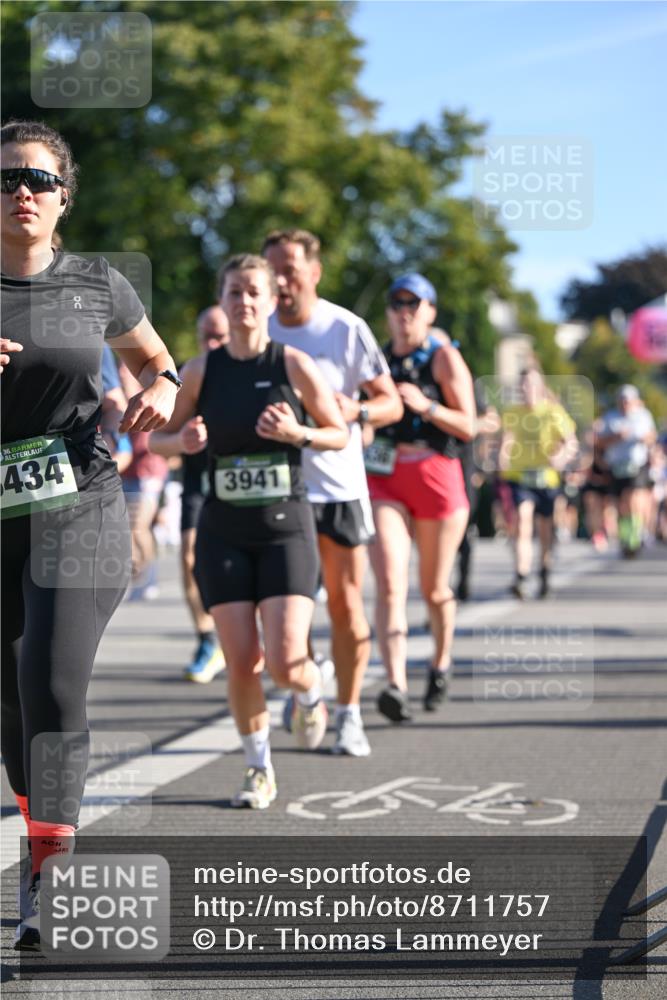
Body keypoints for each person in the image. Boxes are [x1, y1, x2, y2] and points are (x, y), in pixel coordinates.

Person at [1, 119, 178, 949]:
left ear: (64, 196)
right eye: (6, 178)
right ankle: (42, 838)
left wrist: (163, 390)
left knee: (51, 679)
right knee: (10, 700)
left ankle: (50, 871)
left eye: (38, 179)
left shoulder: (96, 282)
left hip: (80, 500)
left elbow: (155, 360)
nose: (21, 192)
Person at [150, 254, 348, 808]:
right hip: (224, 531)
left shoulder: (293, 364)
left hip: (286, 530)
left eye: (254, 292)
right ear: (222, 299)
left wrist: (298, 432)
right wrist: (182, 442)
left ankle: (311, 689)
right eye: (234, 292)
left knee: (285, 663)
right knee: (242, 661)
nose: (244, 302)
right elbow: (157, 441)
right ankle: (258, 767)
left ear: (272, 300)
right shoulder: (200, 370)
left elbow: (337, 433)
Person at [262, 230, 402, 756]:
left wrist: (357, 410)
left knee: (344, 604)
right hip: (278, 489)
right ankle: (307, 685)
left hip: (338, 487)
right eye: (272, 270)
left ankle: (349, 713)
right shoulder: (258, 328)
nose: (281, 281)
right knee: (284, 607)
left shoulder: (345, 328)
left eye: (290, 269)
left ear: (314, 272)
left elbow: (390, 403)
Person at [365, 274, 474, 720]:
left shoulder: (443, 357)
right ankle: (396, 684)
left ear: (430, 311)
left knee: (433, 589)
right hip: (384, 476)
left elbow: (469, 425)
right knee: (390, 581)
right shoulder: (376, 359)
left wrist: (427, 406)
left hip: (435, 475)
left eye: (414, 304)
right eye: (397, 304)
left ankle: (440, 663)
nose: (404, 312)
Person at [179, 305, 229, 682]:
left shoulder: (254, 368)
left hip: (242, 481)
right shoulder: (188, 374)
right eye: (206, 336)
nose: (212, 344)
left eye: (219, 336)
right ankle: (207, 639)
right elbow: (161, 439)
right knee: (189, 556)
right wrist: (184, 439)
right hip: (199, 480)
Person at [499, 366, 578, 598]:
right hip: (520, 476)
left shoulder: (553, 412)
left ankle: (544, 572)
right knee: (522, 523)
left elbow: (571, 442)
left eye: (531, 384)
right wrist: (503, 457)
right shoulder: (513, 412)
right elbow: (507, 439)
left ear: (540, 387)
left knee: (545, 530)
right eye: (523, 385)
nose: (527, 389)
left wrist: (561, 457)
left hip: (547, 478)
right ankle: (521, 576)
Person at [118, 362, 170, 600]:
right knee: (127, 530)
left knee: (138, 527)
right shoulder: (117, 400)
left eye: (126, 373)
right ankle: (138, 577)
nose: (122, 376)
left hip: (148, 472)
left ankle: (148, 577)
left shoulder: (152, 397)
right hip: (126, 472)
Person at [597, 384, 656, 558]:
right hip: (617, 466)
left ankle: (635, 535)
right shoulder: (610, 417)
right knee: (621, 504)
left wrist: (644, 439)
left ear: (635, 401)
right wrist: (616, 437)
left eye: (628, 401)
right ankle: (625, 537)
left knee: (633, 498)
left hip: (636, 464)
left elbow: (652, 436)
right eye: (622, 401)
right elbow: (599, 442)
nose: (625, 404)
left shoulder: (643, 416)